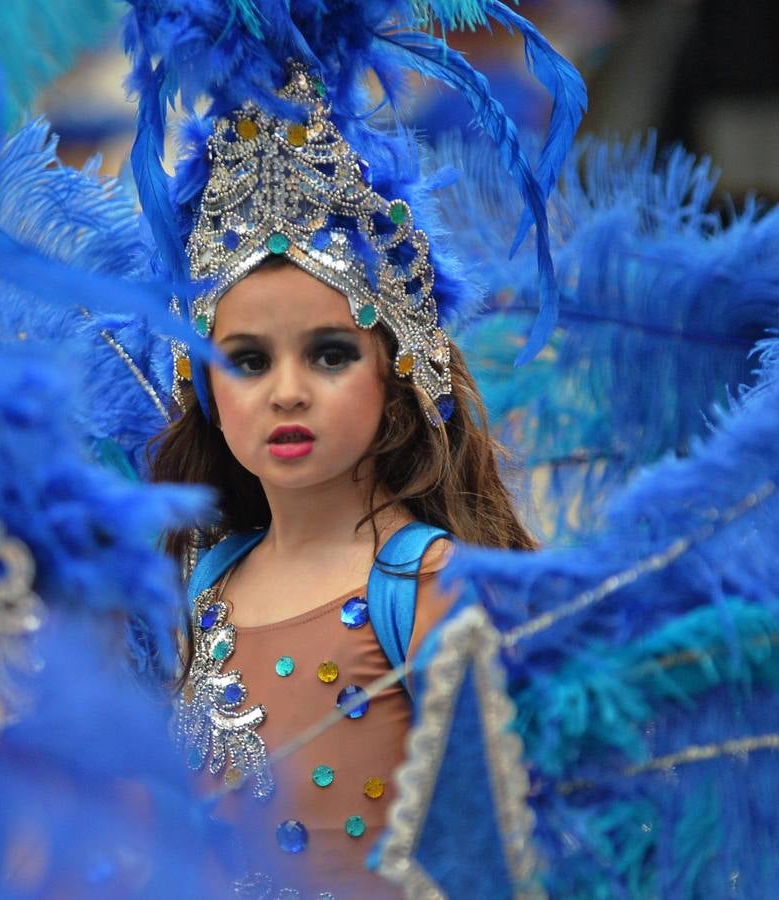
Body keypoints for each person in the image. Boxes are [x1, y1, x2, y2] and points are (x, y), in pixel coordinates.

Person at [143, 59, 543, 893]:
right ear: (204, 386)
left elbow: (499, 852)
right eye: (247, 360)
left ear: (394, 371)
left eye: (328, 354)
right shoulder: (198, 581)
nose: (286, 390)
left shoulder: (436, 587)